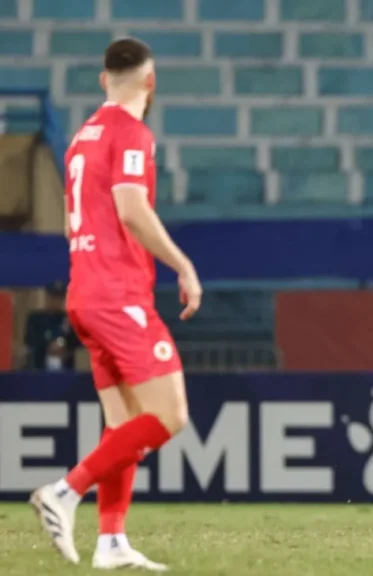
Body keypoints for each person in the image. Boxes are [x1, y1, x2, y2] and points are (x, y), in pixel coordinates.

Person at [29, 38, 202, 570]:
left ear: (105, 80)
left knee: (121, 422)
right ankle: (65, 491)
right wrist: (182, 264)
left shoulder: (81, 137)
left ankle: (110, 542)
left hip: (83, 290)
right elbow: (131, 208)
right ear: (150, 84)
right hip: (117, 295)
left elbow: (69, 219)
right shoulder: (132, 133)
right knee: (170, 415)